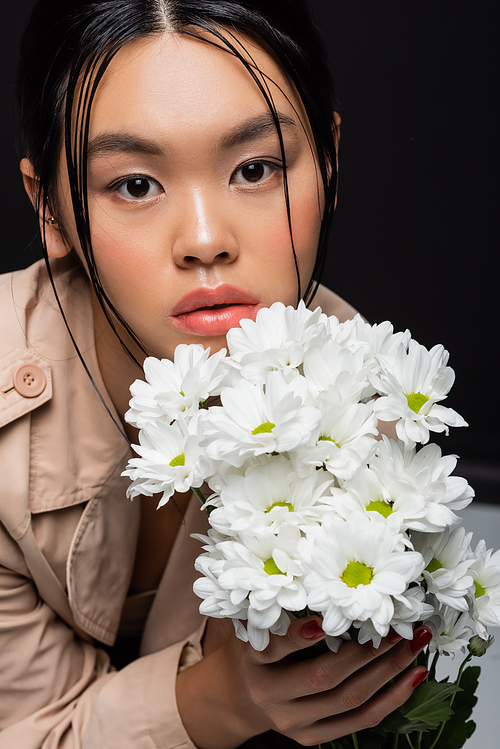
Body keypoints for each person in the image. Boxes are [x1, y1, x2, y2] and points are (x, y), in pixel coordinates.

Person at [0, 1, 432, 746]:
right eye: (135, 184)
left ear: (328, 161)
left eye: (255, 169)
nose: (205, 240)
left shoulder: (375, 403)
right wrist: (225, 699)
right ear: (50, 209)